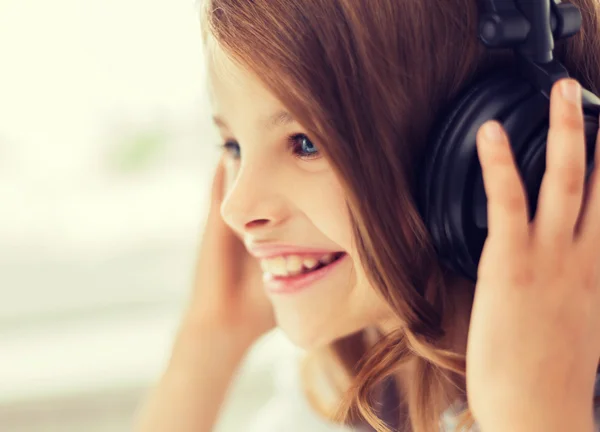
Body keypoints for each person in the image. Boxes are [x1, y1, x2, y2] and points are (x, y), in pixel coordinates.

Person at [134, 0, 600, 431]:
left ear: (485, 159)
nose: (234, 209)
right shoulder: (349, 396)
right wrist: (208, 341)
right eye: (232, 145)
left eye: (305, 144)